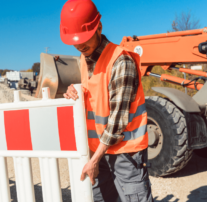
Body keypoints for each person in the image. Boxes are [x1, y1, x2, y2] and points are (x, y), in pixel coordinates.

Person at [60, 0, 153, 201]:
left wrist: (93, 160)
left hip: (124, 153)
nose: (79, 45)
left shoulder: (121, 61)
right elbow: (95, 96)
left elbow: (117, 121)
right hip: (98, 152)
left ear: (99, 27)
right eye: (74, 41)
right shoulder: (84, 60)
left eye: (83, 39)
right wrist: (75, 93)